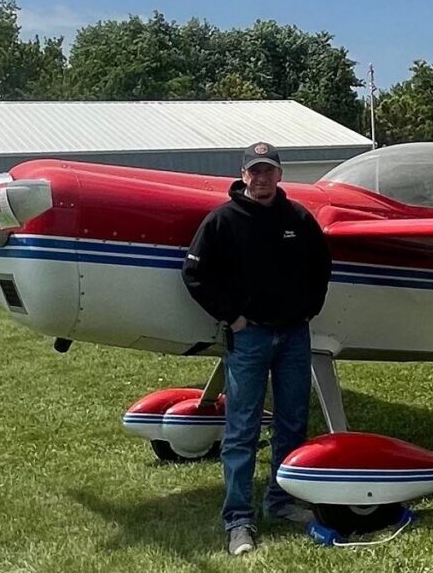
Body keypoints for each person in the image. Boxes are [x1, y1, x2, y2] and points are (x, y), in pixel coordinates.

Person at [182, 141, 332, 556]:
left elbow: (322, 267)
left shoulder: (299, 219)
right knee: (242, 429)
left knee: (293, 422)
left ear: (279, 175)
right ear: (243, 174)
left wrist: (308, 309)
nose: (262, 179)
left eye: (269, 171)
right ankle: (238, 520)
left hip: (294, 336)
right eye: (255, 171)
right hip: (248, 338)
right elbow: (194, 273)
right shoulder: (223, 220)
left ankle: (281, 501)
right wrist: (233, 316)